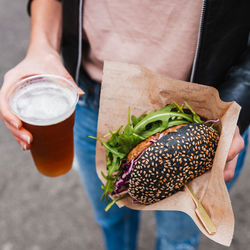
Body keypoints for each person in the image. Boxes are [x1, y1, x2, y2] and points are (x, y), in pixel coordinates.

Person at [0, 0, 249, 249]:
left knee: (177, 240)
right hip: (91, 95)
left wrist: (236, 103)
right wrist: (41, 47)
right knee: (112, 221)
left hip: (201, 118)